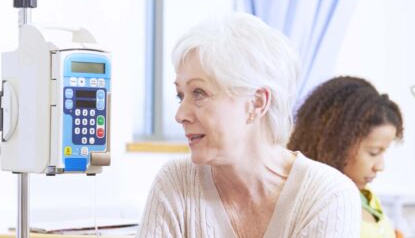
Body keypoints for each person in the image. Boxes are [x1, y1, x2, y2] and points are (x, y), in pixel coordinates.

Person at [136, 12, 360, 238]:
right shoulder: (176, 182)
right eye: (180, 95)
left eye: (199, 93)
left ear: (257, 102)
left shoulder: (328, 196)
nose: (180, 114)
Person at [288, 76, 404, 238]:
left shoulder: (366, 195)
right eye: (374, 152)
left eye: (384, 152)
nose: (380, 166)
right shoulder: (315, 205)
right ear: (336, 143)